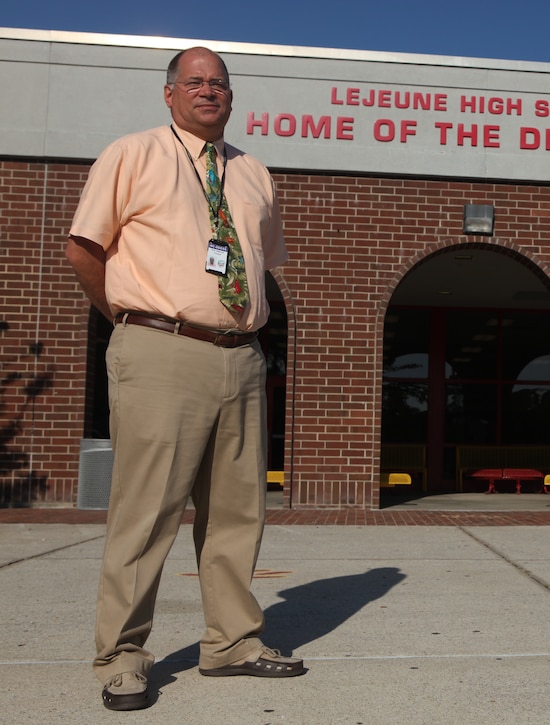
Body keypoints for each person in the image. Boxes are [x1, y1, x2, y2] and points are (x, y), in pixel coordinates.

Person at [66, 47, 304, 712]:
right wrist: (128, 318)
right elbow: (83, 250)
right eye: (195, 82)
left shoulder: (254, 173)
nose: (209, 91)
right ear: (168, 94)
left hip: (242, 352)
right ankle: (121, 655)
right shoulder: (133, 154)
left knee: (237, 513)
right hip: (161, 347)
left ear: (233, 97)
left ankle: (232, 641)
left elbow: (264, 266)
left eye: (219, 84)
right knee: (148, 512)